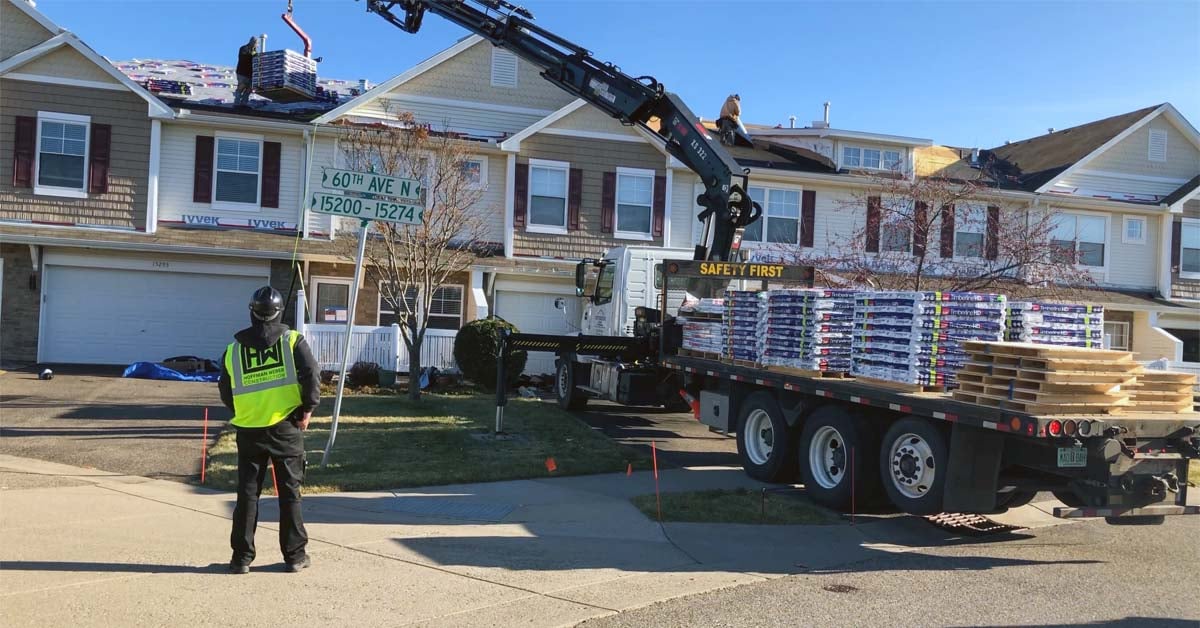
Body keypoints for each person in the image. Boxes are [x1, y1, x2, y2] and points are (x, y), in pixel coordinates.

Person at [219, 286, 321, 574]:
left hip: (249, 429)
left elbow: (225, 390)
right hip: (285, 427)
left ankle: (241, 558)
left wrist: (242, 412)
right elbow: (312, 373)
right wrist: (307, 409)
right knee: (290, 494)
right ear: (278, 313)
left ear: (251, 312)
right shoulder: (292, 341)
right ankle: (295, 556)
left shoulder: (233, 350)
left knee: (247, 495)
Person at [234, 37, 257, 107]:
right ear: (250, 41)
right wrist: (252, 56)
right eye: (254, 42)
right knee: (241, 87)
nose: (255, 44)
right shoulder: (244, 48)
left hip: (250, 74)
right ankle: (237, 103)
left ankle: (244, 103)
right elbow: (243, 58)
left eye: (256, 43)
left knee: (249, 89)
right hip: (242, 72)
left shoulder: (255, 51)